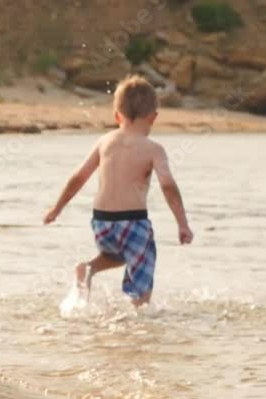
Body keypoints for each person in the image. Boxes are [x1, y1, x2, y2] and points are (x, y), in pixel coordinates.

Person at [44, 75, 193, 307]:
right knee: (143, 261)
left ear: (116, 116)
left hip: (102, 224)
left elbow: (79, 177)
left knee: (116, 254)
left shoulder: (104, 141)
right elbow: (168, 186)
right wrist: (182, 224)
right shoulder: (154, 149)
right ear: (153, 118)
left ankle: (88, 269)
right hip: (133, 222)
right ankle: (139, 313)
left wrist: (56, 209)